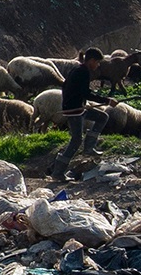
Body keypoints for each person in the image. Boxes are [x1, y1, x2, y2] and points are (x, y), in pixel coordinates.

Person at [49, 48, 118, 178]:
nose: (98, 66)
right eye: (97, 62)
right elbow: (86, 93)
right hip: (74, 111)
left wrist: (79, 103)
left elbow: (68, 88)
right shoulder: (83, 72)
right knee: (76, 140)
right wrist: (107, 100)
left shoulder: (77, 70)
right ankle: (58, 172)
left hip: (77, 108)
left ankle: (89, 147)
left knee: (102, 116)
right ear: (91, 61)